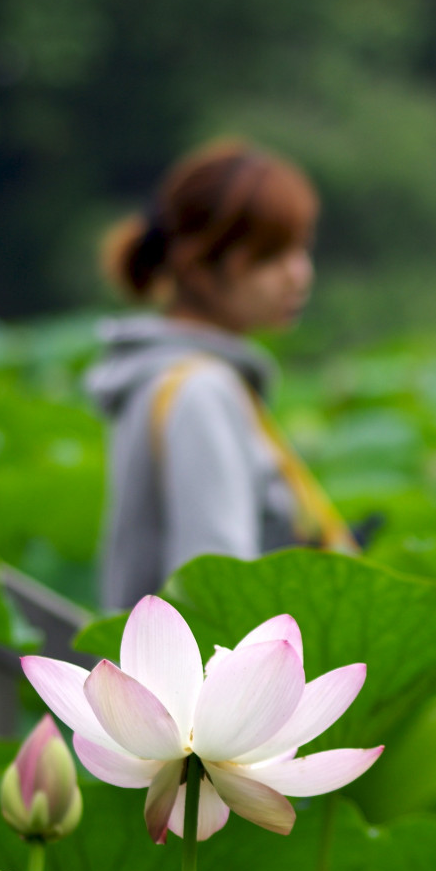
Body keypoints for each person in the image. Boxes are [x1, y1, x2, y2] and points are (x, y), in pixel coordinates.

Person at [85, 139, 356, 612]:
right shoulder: (199, 392)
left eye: (301, 249)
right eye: (273, 256)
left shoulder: (172, 377)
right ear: (199, 264)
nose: (299, 275)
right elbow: (217, 601)